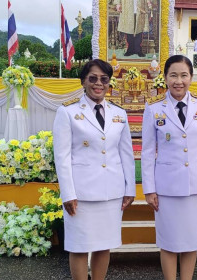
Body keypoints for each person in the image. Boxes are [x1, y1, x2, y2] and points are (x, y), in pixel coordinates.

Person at [141, 55, 197, 280]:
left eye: (184, 75)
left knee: (192, 240)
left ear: (191, 77)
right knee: (168, 241)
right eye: (173, 75)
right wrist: (149, 189)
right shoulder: (154, 107)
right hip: (166, 187)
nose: (179, 81)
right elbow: (148, 151)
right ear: (165, 78)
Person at [53, 59, 135, 280]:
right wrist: (68, 193)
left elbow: (126, 153)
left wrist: (130, 189)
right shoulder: (68, 112)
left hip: (111, 192)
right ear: (83, 81)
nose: (98, 84)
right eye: (93, 78)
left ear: (109, 84)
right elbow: (62, 157)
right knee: (79, 246)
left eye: (104, 79)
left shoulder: (119, 114)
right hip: (81, 194)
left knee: (103, 245)